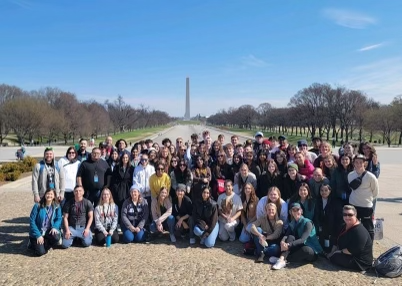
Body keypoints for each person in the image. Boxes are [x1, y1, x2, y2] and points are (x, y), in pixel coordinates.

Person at [271, 203, 323, 270]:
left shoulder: (307, 223)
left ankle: (284, 259)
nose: (296, 212)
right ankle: (282, 259)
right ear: (290, 212)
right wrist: (282, 241)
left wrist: (289, 244)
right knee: (290, 237)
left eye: (297, 210)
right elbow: (286, 235)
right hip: (299, 245)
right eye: (293, 210)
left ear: (301, 211)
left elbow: (302, 239)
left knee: (306, 250)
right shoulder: (292, 223)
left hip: (311, 248)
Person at [327, 205, 373, 271]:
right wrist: (333, 251)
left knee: (335, 257)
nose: (347, 217)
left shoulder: (359, 231)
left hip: (360, 261)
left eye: (350, 215)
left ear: (355, 215)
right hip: (348, 253)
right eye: (345, 214)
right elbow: (337, 239)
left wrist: (337, 252)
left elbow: (354, 250)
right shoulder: (344, 226)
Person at [348, 154, 379, 240]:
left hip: (366, 206)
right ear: (353, 163)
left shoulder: (371, 177)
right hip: (353, 204)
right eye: (356, 162)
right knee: (353, 226)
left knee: (368, 228)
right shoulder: (350, 175)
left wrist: (368, 199)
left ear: (364, 163)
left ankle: (368, 246)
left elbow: (375, 192)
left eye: (361, 162)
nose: (358, 164)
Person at [28, 189, 62, 256]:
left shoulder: (57, 206)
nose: (49, 195)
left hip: (48, 231)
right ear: (45, 195)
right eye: (48, 194)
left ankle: (44, 244)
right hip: (38, 232)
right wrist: (38, 235)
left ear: (54, 196)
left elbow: (59, 218)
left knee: (56, 237)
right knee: (41, 252)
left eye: (51, 194)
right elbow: (32, 221)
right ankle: (32, 243)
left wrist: (55, 227)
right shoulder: (37, 206)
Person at [313, 184, 343, 252]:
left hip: (332, 226)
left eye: (326, 190)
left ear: (330, 191)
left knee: (330, 244)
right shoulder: (317, 201)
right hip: (322, 226)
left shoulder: (336, 202)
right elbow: (316, 215)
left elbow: (338, 217)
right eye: (322, 190)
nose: (324, 192)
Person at [110, 153, 134, 224]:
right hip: (119, 188)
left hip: (127, 188)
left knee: (127, 204)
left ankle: (127, 221)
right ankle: (119, 222)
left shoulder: (131, 168)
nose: (125, 159)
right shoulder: (117, 167)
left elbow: (132, 179)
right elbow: (113, 179)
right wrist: (115, 189)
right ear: (121, 158)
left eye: (126, 158)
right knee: (119, 204)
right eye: (124, 158)